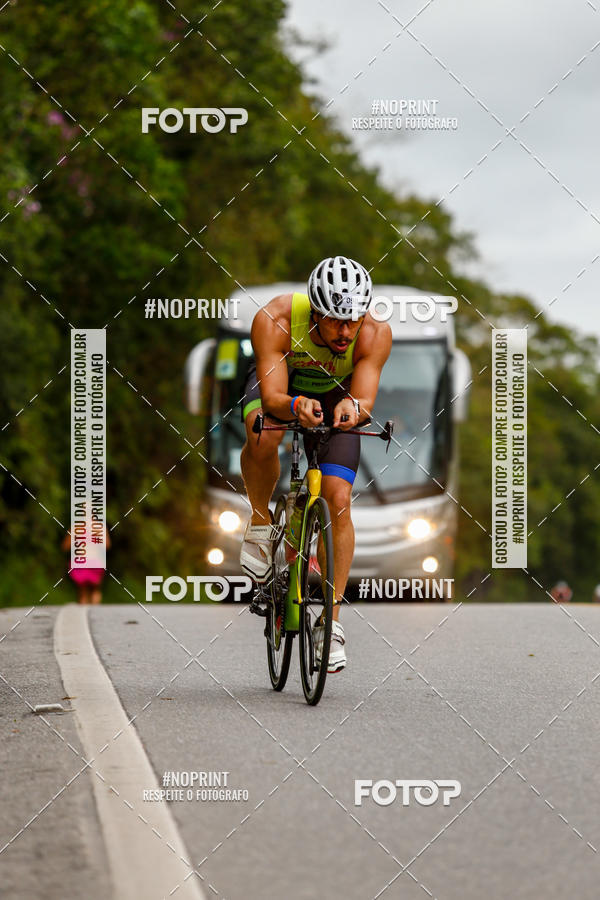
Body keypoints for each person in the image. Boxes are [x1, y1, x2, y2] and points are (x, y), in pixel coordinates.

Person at [239, 255, 392, 672]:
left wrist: (351, 408)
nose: (345, 332)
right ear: (315, 312)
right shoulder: (275, 319)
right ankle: (257, 521)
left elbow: (364, 399)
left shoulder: (375, 334)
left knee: (339, 498)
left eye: (353, 320)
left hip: (334, 395)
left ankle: (332, 623)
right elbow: (272, 398)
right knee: (263, 429)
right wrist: (293, 405)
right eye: (334, 321)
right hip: (283, 385)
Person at [62, 524, 110, 604]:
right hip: (95, 560)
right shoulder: (99, 527)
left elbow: (65, 546)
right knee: (95, 590)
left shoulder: (77, 527)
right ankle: (95, 610)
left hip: (81, 560)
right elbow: (107, 545)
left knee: (83, 591)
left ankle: (84, 612)